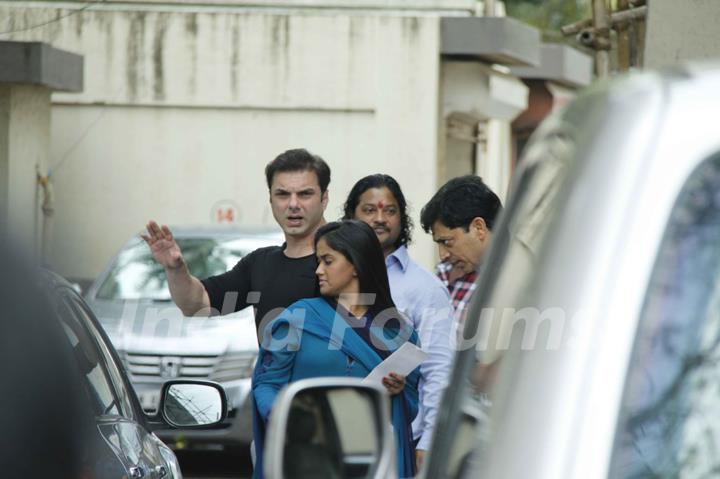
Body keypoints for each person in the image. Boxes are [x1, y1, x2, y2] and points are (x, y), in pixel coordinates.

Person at [252, 220, 421, 478]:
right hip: (305, 458)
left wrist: (396, 393)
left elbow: (409, 408)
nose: (318, 270)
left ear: (355, 264)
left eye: (328, 261)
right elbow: (266, 384)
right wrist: (287, 422)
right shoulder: (296, 318)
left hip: (369, 462)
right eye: (318, 261)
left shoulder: (398, 332)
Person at [141, 148, 330, 332]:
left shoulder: (350, 255)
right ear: (271, 200)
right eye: (283, 194)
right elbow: (197, 304)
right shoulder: (260, 264)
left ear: (324, 199)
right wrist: (175, 269)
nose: (293, 204)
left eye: (305, 194)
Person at [343, 174, 454, 469]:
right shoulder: (330, 277)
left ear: (401, 218)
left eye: (390, 211)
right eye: (369, 210)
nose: (380, 218)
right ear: (351, 215)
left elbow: (438, 371)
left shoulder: (424, 288)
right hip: (335, 436)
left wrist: (428, 442)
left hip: (401, 440)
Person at [420, 175, 502, 337]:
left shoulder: (525, 277)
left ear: (478, 228)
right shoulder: (448, 274)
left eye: (447, 242)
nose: (442, 255)